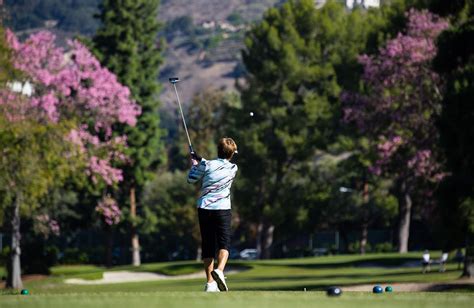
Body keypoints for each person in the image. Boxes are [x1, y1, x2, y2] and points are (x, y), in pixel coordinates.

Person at [187, 137, 238, 292]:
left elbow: (191, 179)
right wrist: (200, 161)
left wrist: (195, 166)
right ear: (231, 154)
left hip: (204, 208)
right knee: (224, 244)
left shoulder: (206, 165)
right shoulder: (233, 168)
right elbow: (213, 165)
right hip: (222, 209)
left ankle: (210, 283)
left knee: (208, 244)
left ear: (218, 150)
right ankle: (220, 271)